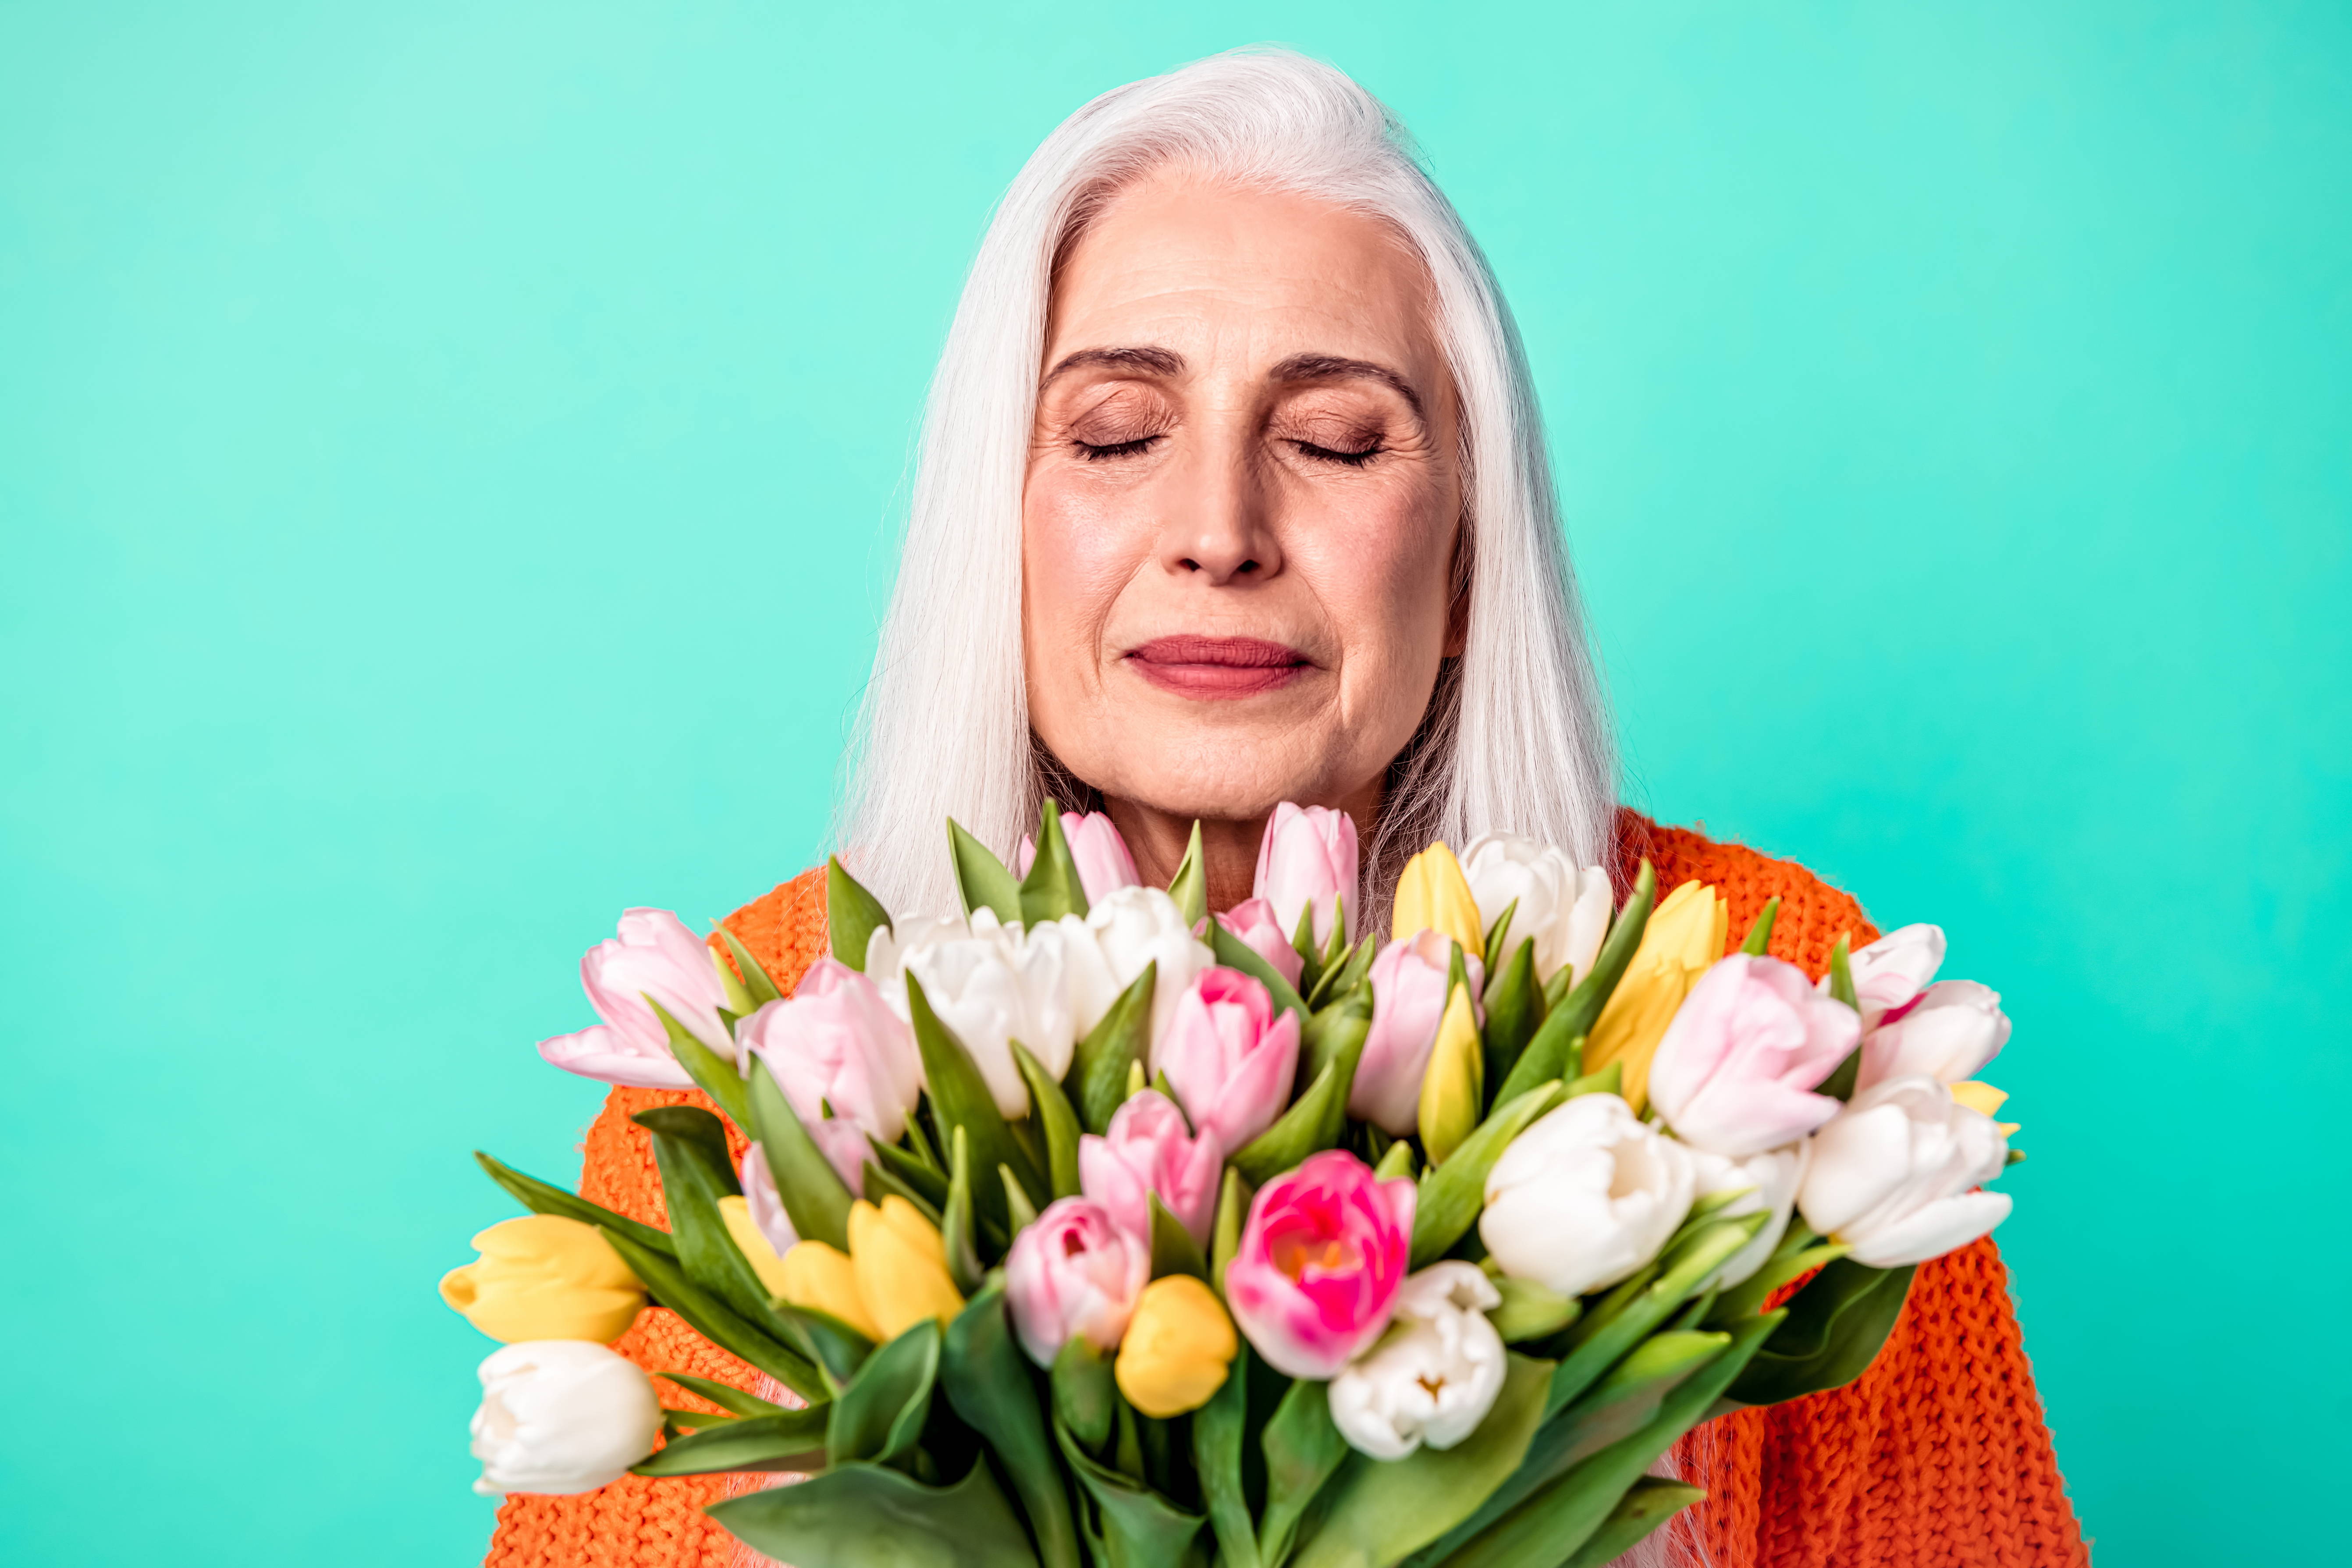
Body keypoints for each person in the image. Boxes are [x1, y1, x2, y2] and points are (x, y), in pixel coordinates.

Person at [484, 49, 2088, 1568]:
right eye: (1116, 431)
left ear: (1469, 557)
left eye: (1332, 440)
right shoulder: (762, 1052)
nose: (1219, 530)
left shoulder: (1767, 1004)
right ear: (1002, 540)